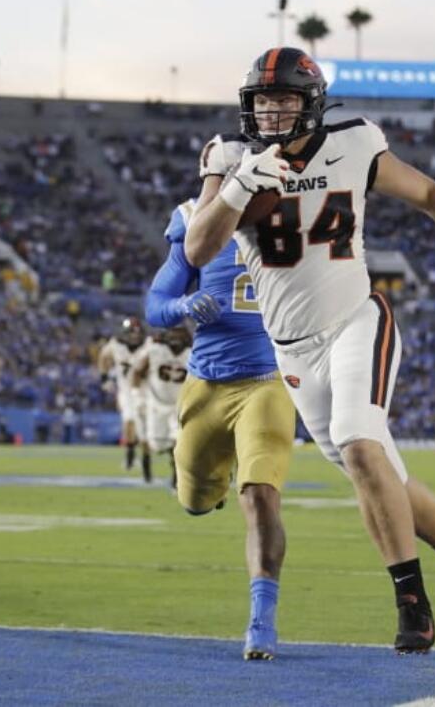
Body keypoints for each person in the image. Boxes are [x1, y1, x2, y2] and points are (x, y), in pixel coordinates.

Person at [185, 47, 435, 654]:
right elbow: (197, 250)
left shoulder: (355, 143)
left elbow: (427, 192)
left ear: (310, 102)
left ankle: (411, 605)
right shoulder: (230, 156)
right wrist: (235, 191)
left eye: (284, 99)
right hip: (293, 353)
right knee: (378, 473)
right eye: (262, 100)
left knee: (362, 443)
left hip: (357, 320)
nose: (272, 112)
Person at [146, 196, 297, 660]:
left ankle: (261, 622)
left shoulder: (297, 211)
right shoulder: (195, 222)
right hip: (206, 383)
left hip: (267, 382)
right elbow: (155, 305)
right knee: (193, 501)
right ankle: (215, 480)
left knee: (260, 495)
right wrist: (185, 305)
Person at [130, 325, 191, 489]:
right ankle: (146, 462)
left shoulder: (193, 353)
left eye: (181, 332)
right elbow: (137, 372)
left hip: (180, 405)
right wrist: (137, 396)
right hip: (156, 403)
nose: (177, 337)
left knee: (179, 442)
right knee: (156, 445)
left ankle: (175, 478)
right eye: (175, 332)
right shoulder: (155, 350)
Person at [96, 317, 149, 471]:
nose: (135, 335)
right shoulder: (115, 345)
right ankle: (130, 456)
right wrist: (104, 378)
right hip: (126, 390)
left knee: (145, 428)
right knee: (129, 421)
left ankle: (137, 456)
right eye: (132, 332)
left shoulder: (149, 345)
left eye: (138, 332)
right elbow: (103, 357)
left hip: (147, 391)